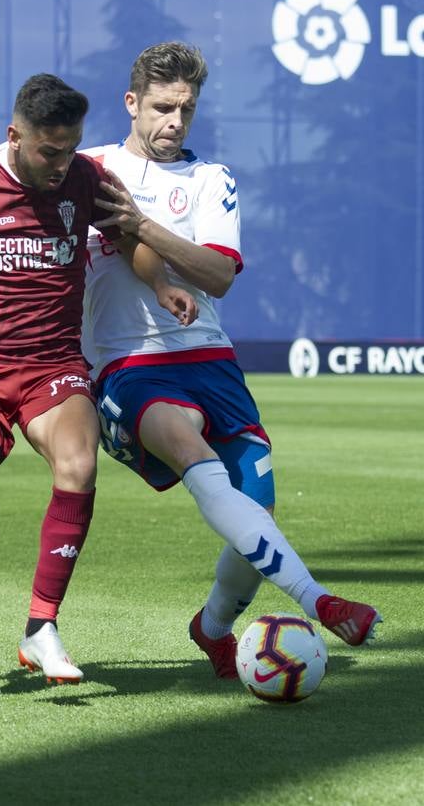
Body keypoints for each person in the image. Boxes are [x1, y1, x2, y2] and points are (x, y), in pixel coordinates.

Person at [0, 73, 196, 697]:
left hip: (53, 364)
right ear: (15, 136)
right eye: (48, 151)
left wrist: (159, 284)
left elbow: (127, 235)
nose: (60, 164)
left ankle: (41, 625)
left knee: (79, 466)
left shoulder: (84, 178)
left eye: (70, 147)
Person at [81, 41, 381, 677]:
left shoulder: (211, 179)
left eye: (187, 109)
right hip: (128, 362)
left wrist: (143, 224)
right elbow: (11, 188)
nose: (175, 121)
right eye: (163, 107)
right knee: (190, 449)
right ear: (132, 103)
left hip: (212, 360)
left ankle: (212, 629)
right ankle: (321, 602)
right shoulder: (89, 169)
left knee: (257, 513)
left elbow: (217, 275)